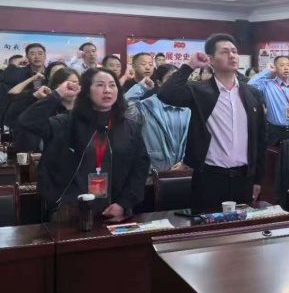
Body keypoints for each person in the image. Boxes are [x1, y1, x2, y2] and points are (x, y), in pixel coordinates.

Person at [18, 67, 150, 220]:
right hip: (70, 208)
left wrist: (124, 203)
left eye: (112, 85)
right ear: (86, 91)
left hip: (115, 208)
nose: (107, 90)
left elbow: (140, 167)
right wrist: (57, 94)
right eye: (100, 85)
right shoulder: (68, 122)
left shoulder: (129, 127)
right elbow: (27, 121)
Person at [158, 34, 266, 210]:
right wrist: (190, 65)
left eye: (234, 51)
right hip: (210, 178)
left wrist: (258, 179)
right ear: (211, 59)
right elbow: (166, 94)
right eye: (224, 52)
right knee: (208, 224)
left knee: (242, 225)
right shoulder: (200, 91)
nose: (232, 55)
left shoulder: (251, 93)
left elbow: (260, 138)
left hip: (244, 178)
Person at [125, 64, 190, 171]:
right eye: (170, 78)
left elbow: (196, 140)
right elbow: (126, 109)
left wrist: (186, 163)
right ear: (159, 83)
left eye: (178, 79)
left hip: (184, 173)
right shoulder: (147, 106)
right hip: (153, 172)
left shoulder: (189, 108)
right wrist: (141, 87)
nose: (175, 83)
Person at [6, 67, 79, 152]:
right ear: (57, 86)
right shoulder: (45, 107)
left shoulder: (85, 109)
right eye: (66, 83)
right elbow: (16, 113)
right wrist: (35, 96)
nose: (71, 86)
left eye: (75, 82)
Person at [248, 55, 289, 147]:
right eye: (282, 65)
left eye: (288, 65)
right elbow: (250, 86)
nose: (286, 68)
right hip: (275, 131)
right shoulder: (267, 85)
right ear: (275, 68)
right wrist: (267, 71)